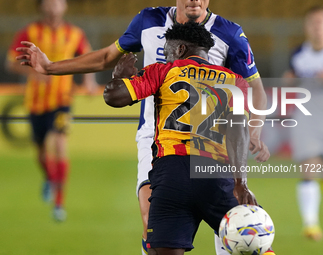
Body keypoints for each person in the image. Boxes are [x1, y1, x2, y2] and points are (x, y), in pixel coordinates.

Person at [15, 1, 270, 253]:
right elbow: (106, 57)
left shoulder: (230, 33)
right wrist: (50, 68)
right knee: (151, 219)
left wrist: (254, 130)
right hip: (156, 136)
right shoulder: (148, 20)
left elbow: (255, 89)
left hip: (212, 141)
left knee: (233, 225)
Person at [104, 21, 275, 255]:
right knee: (256, 241)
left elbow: (113, 97)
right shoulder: (234, 81)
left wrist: (118, 78)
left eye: (168, 51)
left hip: (172, 172)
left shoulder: (162, 72)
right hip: (215, 174)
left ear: (181, 49)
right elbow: (238, 130)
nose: (167, 56)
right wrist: (240, 183)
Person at [6, 0, 97, 221]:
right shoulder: (30, 31)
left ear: (64, 6)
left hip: (62, 100)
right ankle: (48, 177)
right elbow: (10, 63)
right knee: (40, 150)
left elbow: (88, 57)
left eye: (58, 2)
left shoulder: (74, 33)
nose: (53, 6)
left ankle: (59, 204)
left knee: (59, 143)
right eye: (49, 2)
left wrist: (89, 81)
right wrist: (33, 74)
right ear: (42, 6)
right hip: (35, 102)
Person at [284, 5, 323, 241]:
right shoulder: (298, 54)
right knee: (308, 167)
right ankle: (311, 224)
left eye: (322, 23)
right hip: (306, 117)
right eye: (313, 23)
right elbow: (288, 83)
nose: (317, 28)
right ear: (307, 27)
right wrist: (289, 82)